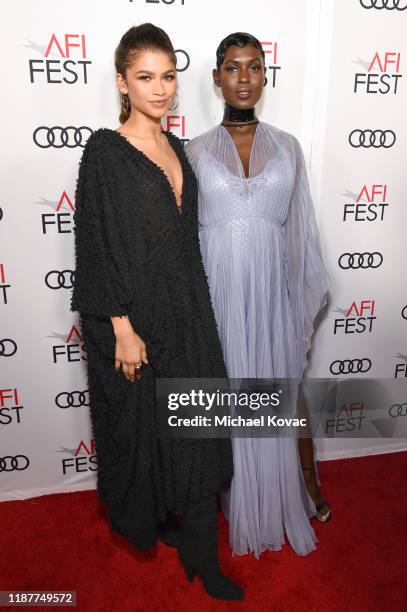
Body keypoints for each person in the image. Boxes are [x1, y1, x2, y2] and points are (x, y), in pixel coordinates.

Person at [71, 23, 243, 600]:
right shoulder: (105, 151)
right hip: (138, 319)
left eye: (168, 76)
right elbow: (95, 244)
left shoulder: (177, 147)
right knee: (151, 432)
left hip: (189, 309)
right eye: (145, 77)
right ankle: (171, 525)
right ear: (122, 82)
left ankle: (202, 555)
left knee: (197, 425)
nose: (161, 89)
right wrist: (121, 327)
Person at [185, 32, 330, 559]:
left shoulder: (288, 146)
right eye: (232, 67)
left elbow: (300, 232)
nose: (243, 78)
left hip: (271, 292)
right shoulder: (193, 150)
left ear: (265, 75)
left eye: (253, 67)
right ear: (216, 77)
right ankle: (231, 492)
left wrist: (295, 306)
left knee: (282, 391)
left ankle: (296, 485)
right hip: (218, 292)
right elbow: (186, 237)